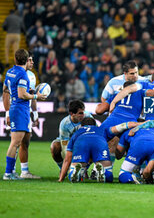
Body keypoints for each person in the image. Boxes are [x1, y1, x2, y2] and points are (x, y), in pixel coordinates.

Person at [3, 49, 46, 180]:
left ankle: (12, 172)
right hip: (20, 109)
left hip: (16, 108)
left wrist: (26, 91)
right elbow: (22, 95)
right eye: (30, 60)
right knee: (15, 143)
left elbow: (6, 89)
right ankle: (8, 173)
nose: (32, 62)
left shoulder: (10, 71)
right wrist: (35, 95)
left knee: (17, 142)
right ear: (26, 60)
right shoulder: (22, 74)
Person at [58, 117, 141, 183]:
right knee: (109, 177)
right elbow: (123, 126)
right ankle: (103, 173)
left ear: (81, 126)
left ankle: (76, 172)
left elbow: (67, 159)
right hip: (99, 142)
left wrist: (61, 179)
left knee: (73, 172)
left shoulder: (77, 133)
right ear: (95, 125)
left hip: (81, 142)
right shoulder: (102, 130)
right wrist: (140, 123)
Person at [116, 120, 154, 184]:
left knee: (124, 173)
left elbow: (119, 154)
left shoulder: (127, 132)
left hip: (139, 145)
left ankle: (131, 178)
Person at [50, 99, 92, 170]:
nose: (83, 115)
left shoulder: (88, 117)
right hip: (70, 143)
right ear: (72, 113)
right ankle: (62, 168)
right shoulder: (65, 124)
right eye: (80, 113)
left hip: (84, 142)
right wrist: (68, 166)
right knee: (55, 146)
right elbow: (64, 148)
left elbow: (95, 134)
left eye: (83, 112)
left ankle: (84, 169)